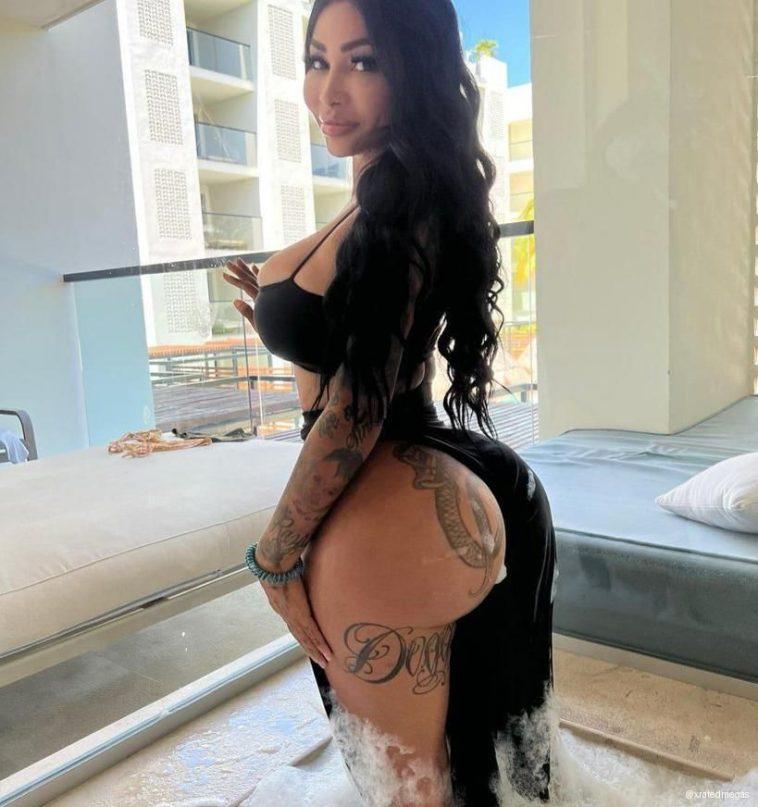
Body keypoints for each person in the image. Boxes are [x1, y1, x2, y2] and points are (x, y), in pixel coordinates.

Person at [222, 1, 557, 804]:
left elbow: (357, 409)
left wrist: (275, 554)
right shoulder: (391, 186)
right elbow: (379, 337)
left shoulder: (400, 199)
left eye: (363, 62)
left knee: (409, 789)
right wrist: (284, 311)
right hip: (441, 468)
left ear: (414, 68)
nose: (328, 90)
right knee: (463, 762)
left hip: (386, 493)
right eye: (318, 59)